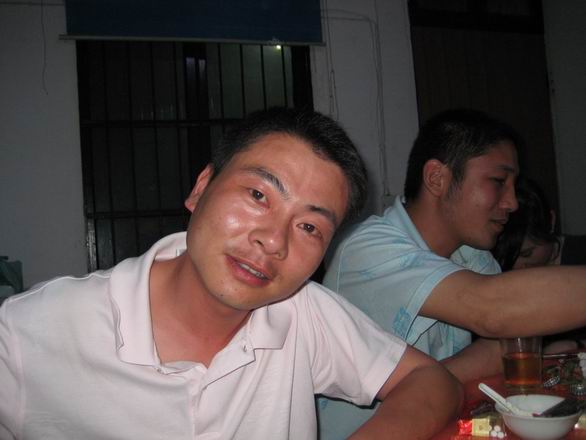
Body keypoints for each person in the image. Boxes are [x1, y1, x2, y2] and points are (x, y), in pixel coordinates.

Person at [0, 107, 462, 440]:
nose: (274, 241)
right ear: (201, 188)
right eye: (259, 196)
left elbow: (431, 382)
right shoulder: (29, 332)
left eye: (309, 227)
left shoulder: (302, 313)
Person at [317, 108, 586, 439]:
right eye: (498, 182)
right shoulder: (367, 248)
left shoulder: (470, 254)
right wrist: (427, 383)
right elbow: (495, 310)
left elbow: (504, 339)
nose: (513, 202)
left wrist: (424, 382)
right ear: (437, 178)